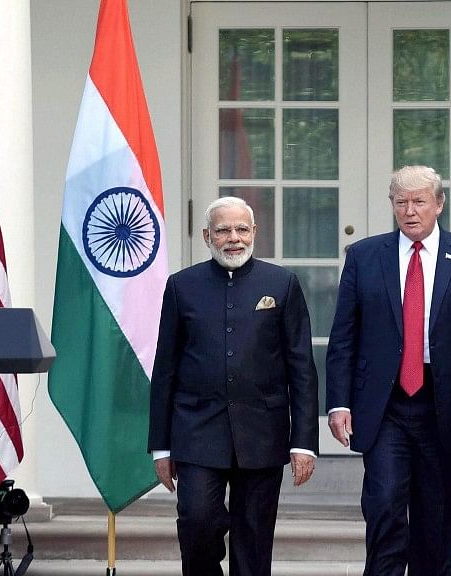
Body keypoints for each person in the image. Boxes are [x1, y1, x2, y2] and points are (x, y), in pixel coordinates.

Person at [326, 165, 451, 576]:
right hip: (385, 405)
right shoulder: (364, 256)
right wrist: (338, 402)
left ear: (439, 204)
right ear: (392, 205)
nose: (410, 211)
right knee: (385, 509)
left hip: (446, 404)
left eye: (419, 201)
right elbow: (344, 337)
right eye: (401, 202)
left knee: (436, 524)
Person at [148, 196, 320, 576]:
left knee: (254, 540)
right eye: (223, 230)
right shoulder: (181, 286)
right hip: (196, 431)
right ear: (208, 235)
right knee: (197, 522)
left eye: (242, 229)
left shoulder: (282, 284)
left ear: (254, 232)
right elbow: (165, 370)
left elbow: (302, 370)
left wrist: (303, 442)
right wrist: (161, 447)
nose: (234, 238)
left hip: (264, 431)